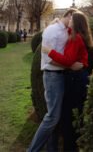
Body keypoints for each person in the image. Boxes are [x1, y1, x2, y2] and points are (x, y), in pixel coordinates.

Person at [28, 8, 82, 152]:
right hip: (52, 76)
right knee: (52, 117)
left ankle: (51, 149)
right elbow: (48, 60)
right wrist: (70, 64)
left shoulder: (65, 29)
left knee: (54, 116)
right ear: (70, 16)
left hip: (61, 76)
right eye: (74, 19)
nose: (74, 23)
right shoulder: (52, 31)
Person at [42, 11, 93, 152]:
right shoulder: (77, 35)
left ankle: (70, 148)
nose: (69, 20)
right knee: (73, 116)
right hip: (78, 78)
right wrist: (56, 22)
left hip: (75, 80)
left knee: (68, 118)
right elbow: (81, 57)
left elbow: (69, 60)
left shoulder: (76, 38)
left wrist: (49, 51)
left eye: (72, 18)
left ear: (76, 22)